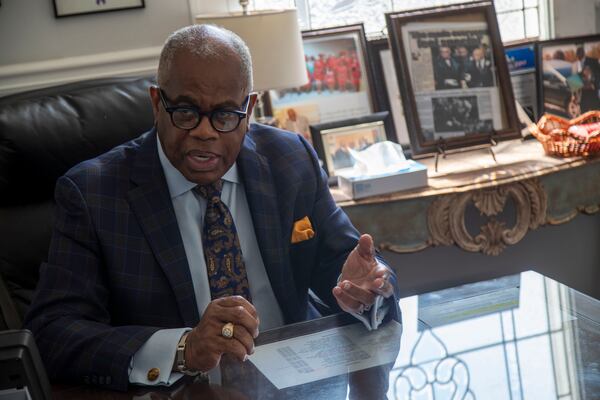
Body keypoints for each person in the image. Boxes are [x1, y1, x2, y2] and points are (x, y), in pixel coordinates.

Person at [24, 24, 399, 391]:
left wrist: (366, 289)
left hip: (300, 381)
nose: (205, 132)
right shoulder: (94, 193)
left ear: (249, 109)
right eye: (186, 112)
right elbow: (53, 332)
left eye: (224, 115)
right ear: (157, 103)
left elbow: (346, 269)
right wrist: (184, 348)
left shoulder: (290, 160)